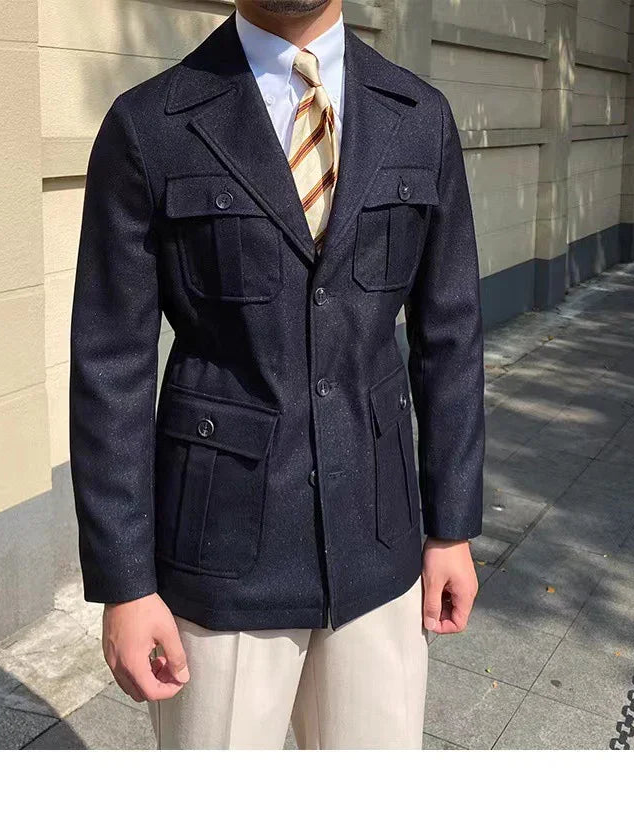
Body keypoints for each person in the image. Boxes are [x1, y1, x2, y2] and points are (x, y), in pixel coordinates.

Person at [69, 0, 484, 749]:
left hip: (378, 545)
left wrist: (451, 526)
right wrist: (125, 583)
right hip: (219, 559)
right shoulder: (151, 126)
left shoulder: (419, 117)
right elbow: (111, 369)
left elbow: (450, 335)